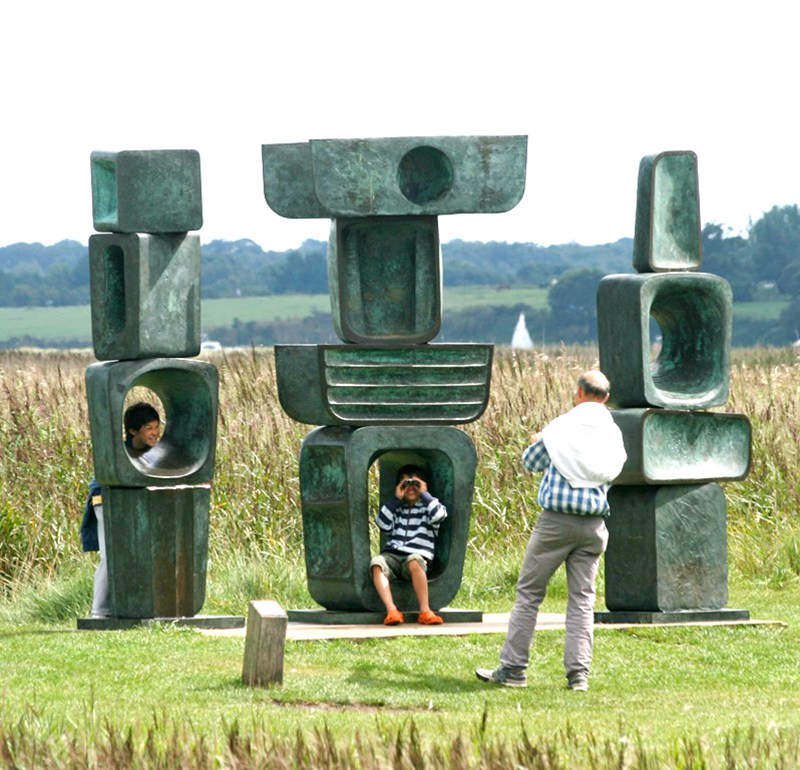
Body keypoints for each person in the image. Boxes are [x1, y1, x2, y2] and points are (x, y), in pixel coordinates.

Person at [476, 370, 627, 691]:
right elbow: (613, 469)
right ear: (606, 398)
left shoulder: (562, 426)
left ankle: (514, 669)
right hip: (594, 526)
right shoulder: (613, 432)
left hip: (556, 523)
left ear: (578, 393)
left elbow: (531, 461)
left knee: (529, 595)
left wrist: (537, 440)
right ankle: (578, 676)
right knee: (583, 601)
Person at [81, 401, 161, 618]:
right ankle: (100, 611)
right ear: (133, 431)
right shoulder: (118, 452)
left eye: (157, 427)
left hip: (136, 503)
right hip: (107, 501)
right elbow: (102, 482)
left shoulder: (157, 453)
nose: (155, 433)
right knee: (111, 555)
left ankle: (137, 607)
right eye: (149, 429)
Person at [370, 464, 448, 626]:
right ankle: (391, 610)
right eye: (406, 484)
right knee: (377, 563)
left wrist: (425, 494)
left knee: (414, 560)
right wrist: (396, 499)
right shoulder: (397, 509)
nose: (411, 488)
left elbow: (439, 515)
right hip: (393, 555)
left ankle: (425, 611)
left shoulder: (428, 508)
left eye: (415, 484)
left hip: (416, 558)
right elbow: (382, 523)